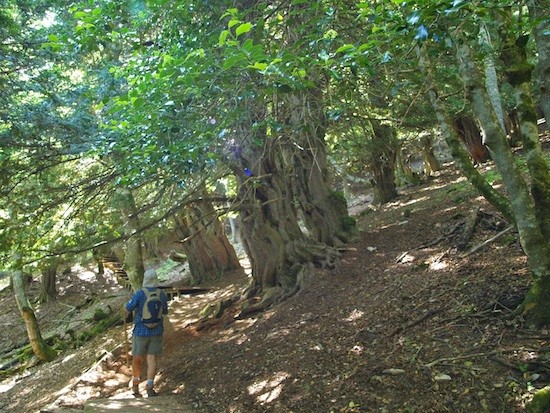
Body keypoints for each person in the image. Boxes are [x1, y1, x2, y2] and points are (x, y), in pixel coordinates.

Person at [125, 269, 169, 397]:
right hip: (157, 331)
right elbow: (165, 311)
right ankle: (150, 386)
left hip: (140, 331)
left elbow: (128, 308)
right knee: (151, 359)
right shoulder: (162, 294)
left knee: (137, 358)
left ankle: (135, 385)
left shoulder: (140, 293)